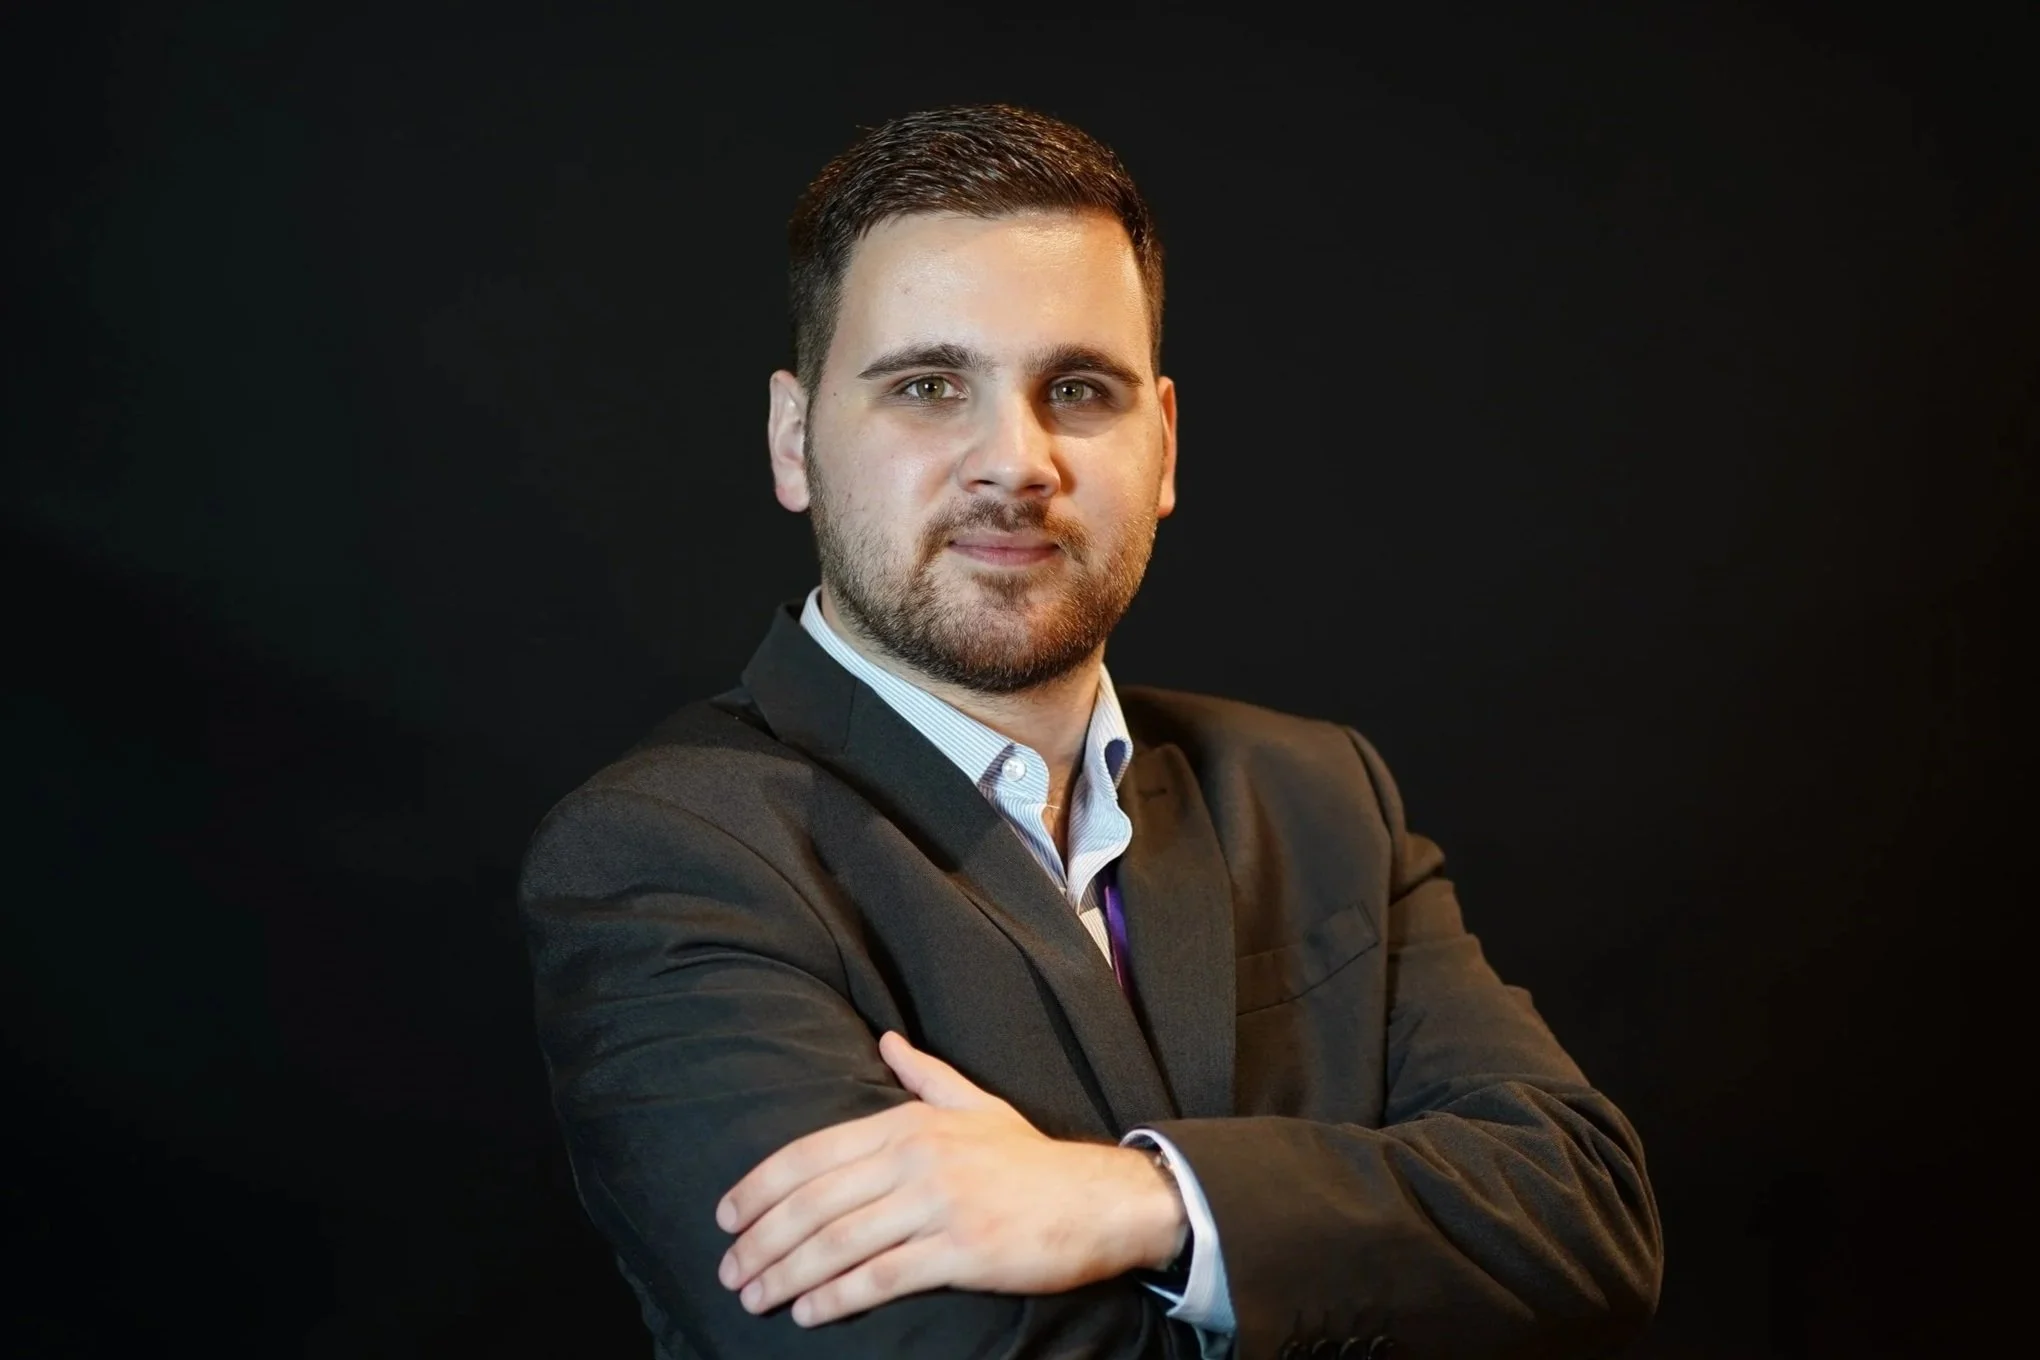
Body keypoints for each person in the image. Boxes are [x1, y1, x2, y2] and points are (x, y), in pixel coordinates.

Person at [519, 104, 1662, 1360]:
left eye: (1077, 390)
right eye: (928, 387)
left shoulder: (1317, 792)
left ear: (1163, 444)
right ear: (795, 442)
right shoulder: (668, 854)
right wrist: (1349, 1258)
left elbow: (1584, 1223)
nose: (1016, 462)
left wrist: (1149, 1200)